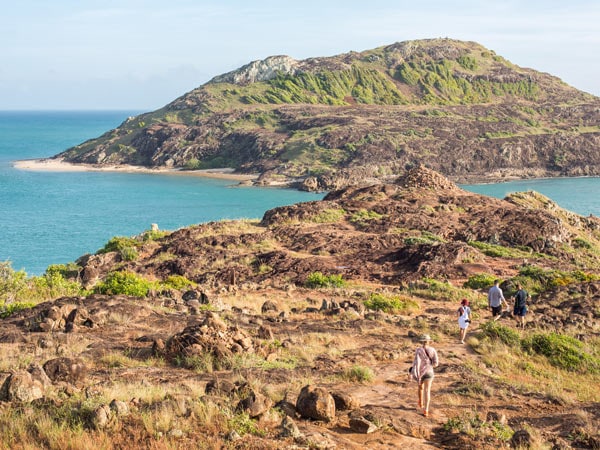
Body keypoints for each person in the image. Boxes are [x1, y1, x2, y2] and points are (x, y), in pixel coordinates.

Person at [410, 334, 439, 417]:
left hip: (420, 372)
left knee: (420, 388)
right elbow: (436, 363)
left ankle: (420, 402)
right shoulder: (433, 350)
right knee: (427, 391)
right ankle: (426, 410)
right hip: (429, 372)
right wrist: (429, 365)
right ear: (429, 341)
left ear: (422, 341)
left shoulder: (418, 350)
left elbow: (415, 362)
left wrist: (413, 371)